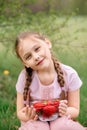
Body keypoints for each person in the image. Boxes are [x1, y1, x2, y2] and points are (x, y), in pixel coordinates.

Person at [15, 31, 86, 130]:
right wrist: (28, 115)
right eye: (28, 56)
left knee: (61, 126)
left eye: (37, 49)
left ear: (47, 43)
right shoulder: (24, 78)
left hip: (61, 119)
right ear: (25, 63)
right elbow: (20, 112)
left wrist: (65, 111)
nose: (36, 57)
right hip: (35, 121)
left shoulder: (70, 74)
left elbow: (75, 110)